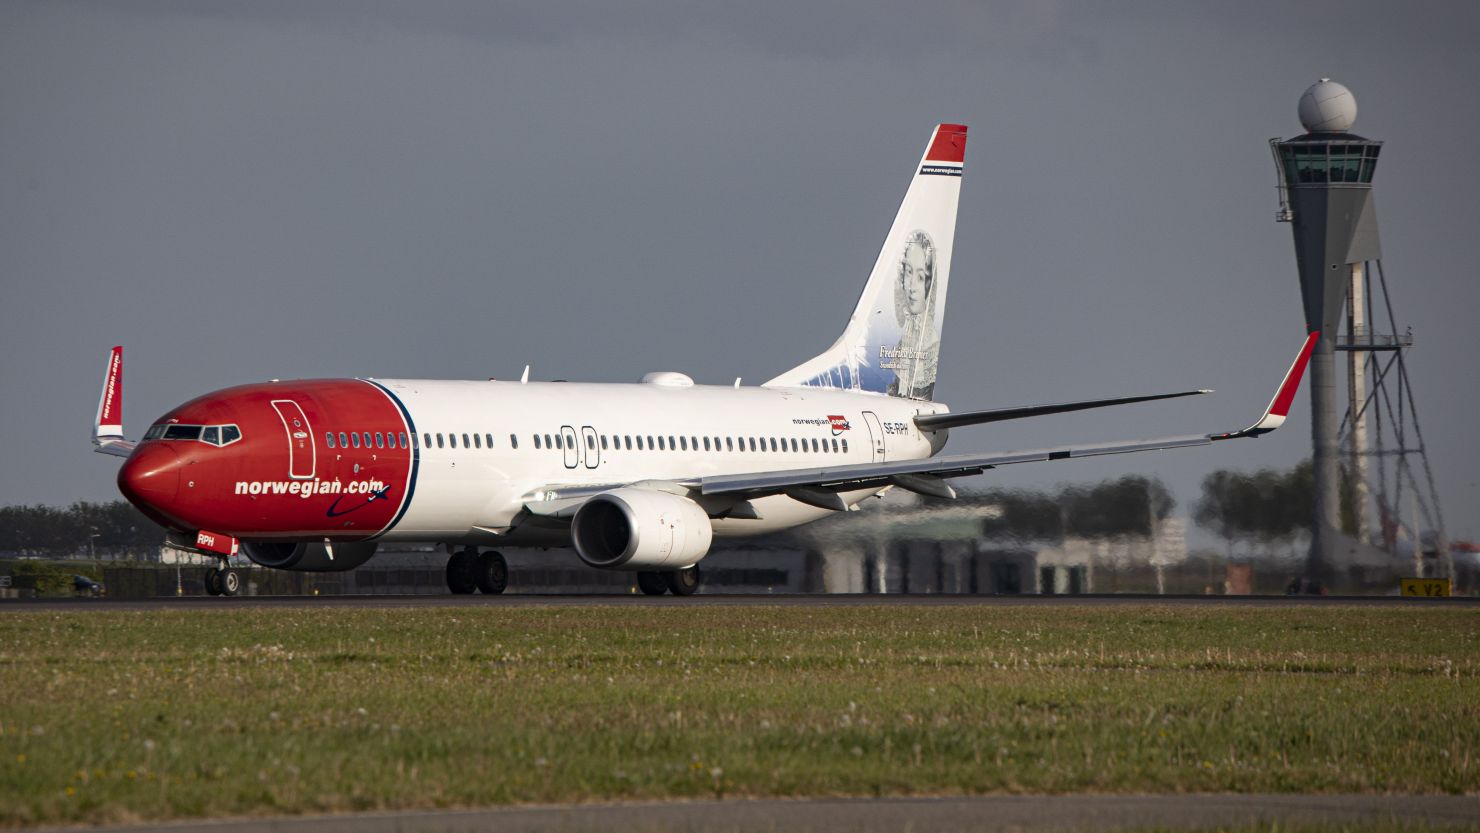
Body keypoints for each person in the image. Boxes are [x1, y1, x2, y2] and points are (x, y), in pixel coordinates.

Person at [885, 230, 939, 399]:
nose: (912, 286)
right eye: (909, 272)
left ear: (928, 284)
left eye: (921, 277)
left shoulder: (929, 341)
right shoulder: (903, 337)